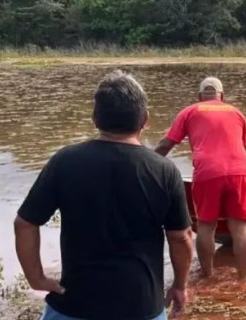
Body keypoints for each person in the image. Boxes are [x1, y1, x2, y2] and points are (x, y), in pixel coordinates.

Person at [14, 70, 193, 320]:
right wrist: (180, 286)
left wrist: (37, 278)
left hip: (74, 304)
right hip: (141, 307)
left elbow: (25, 223)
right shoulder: (164, 171)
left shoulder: (65, 161)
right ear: (145, 120)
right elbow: (181, 237)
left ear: (95, 118)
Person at [155, 77, 246, 282]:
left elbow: (166, 145)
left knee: (206, 226)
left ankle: (208, 275)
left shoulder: (190, 111)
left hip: (208, 172)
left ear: (200, 96)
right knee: (240, 228)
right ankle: (243, 279)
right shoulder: (236, 112)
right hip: (239, 171)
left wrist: (145, 164)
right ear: (222, 96)